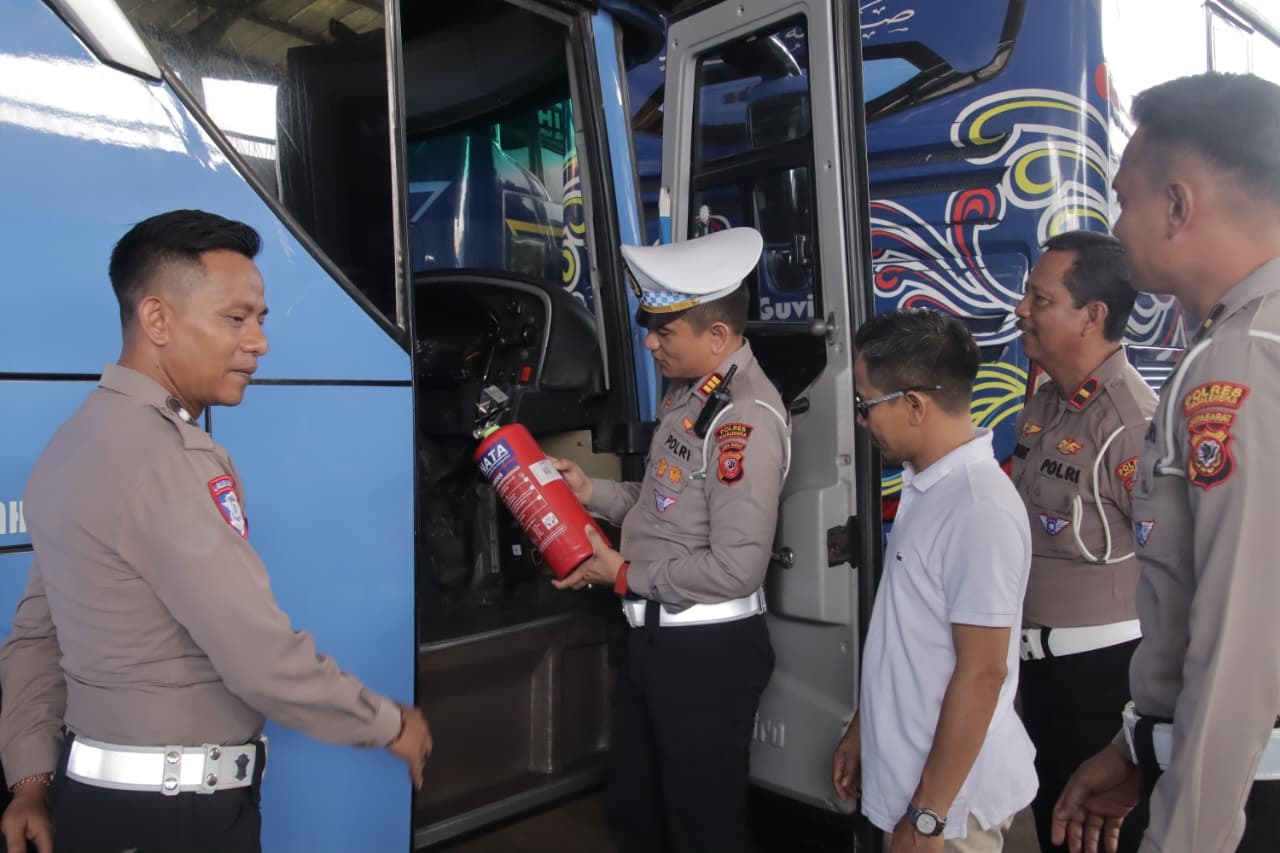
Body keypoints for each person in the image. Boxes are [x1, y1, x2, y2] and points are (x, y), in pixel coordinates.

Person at [0, 210, 432, 853]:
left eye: (259, 319)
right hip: (179, 819)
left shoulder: (71, 447)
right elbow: (257, 655)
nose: (258, 342)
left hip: (94, 808)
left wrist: (30, 782)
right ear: (157, 319)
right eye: (236, 318)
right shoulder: (166, 460)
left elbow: (37, 635)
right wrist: (387, 722)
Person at [1052, 72, 1280, 853]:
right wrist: (1136, 746)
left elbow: (1243, 642)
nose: (1116, 226)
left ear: (1178, 206)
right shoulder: (1239, 341)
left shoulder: (1243, 363)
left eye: (1124, 200)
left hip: (1243, 801)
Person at [548, 226, 789, 853]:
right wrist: (590, 492)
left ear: (717, 335)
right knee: (637, 817)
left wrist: (623, 575)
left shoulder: (743, 420)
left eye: (665, 331)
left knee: (702, 831)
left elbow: (736, 568)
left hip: (706, 657)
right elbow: (661, 504)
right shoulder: (691, 395)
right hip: (654, 639)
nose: (650, 342)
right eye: (650, 327)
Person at [831, 308, 1036, 852]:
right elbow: (909, 638)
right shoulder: (929, 487)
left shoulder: (977, 508)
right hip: (918, 788)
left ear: (915, 405)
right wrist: (865, 727)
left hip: (952, 811)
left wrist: (928, 816)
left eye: (866, 405)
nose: (861, 420)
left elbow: (983, 673)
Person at [1012, 231, 1155, 853]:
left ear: (1092, 316)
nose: (1021, 309)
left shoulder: (1132, 425)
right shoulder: (1046, 404)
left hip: (1105, 686)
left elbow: (1178, 575)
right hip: (1043, 678)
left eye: (1040, 299)